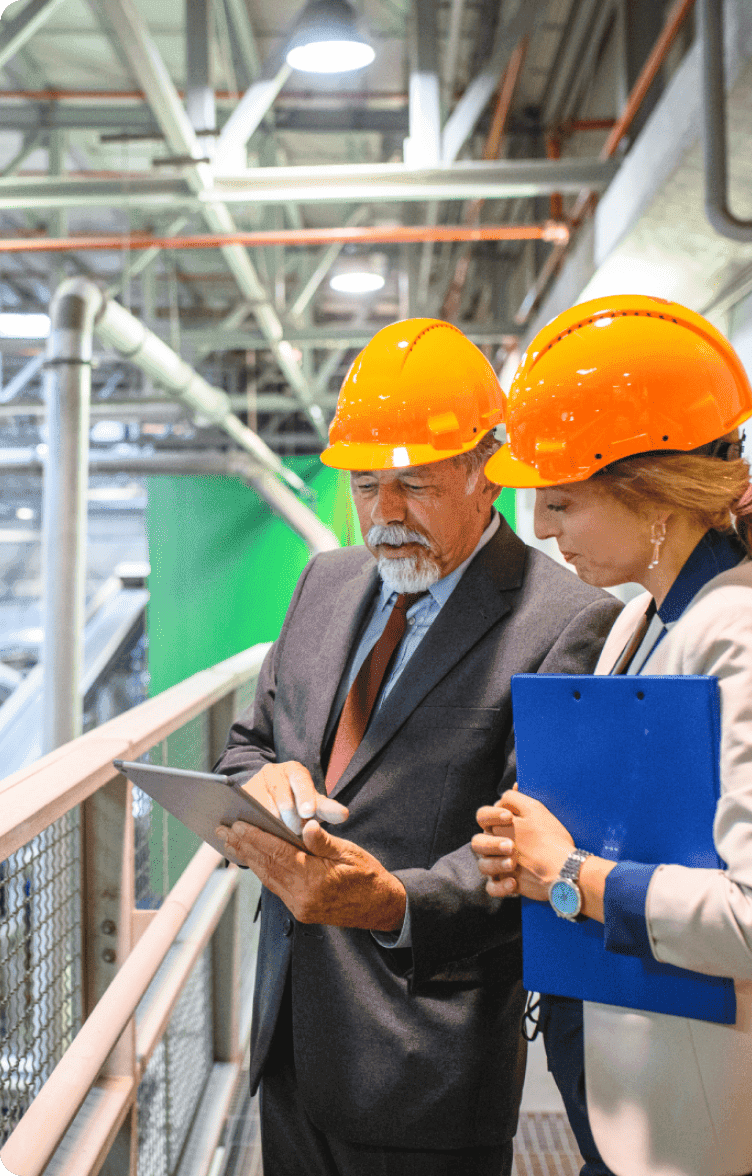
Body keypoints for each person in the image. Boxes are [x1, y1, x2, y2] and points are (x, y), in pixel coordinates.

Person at [472, 295, 752, 1176]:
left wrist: (572, 876)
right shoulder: (644, 621)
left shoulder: (745, 633)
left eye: (564, 501)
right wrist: (536, 849)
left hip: (720, 1137)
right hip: (646, 1107)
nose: (541, 527)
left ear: (651, 495)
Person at [212, 318, 623, 1176]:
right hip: (290, 1035)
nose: (385, 513)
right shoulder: (326, 584)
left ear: (487, 477)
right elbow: (248, 746)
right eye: (367, 487)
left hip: (423, 1068)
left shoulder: (565, 623)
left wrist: (393, 902)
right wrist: (267, 780)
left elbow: (539, 850)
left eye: (414, 485)